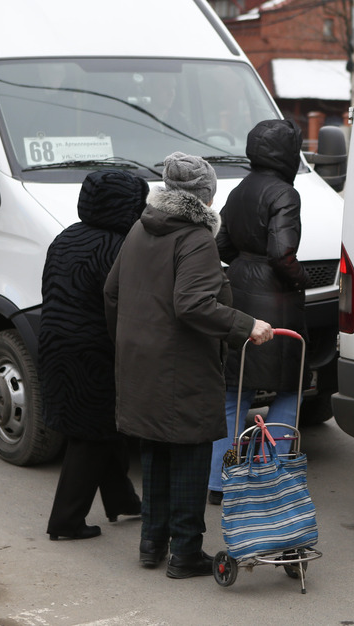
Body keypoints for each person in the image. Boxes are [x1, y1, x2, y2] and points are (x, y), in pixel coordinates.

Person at [104, 152, 274, 578]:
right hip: (183, 365)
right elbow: (193, 304)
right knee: (191, 457)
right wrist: (245, 324)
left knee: (156, 452)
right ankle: (184, 553)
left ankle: (151, 543)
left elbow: (111, 292)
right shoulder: (196, 238)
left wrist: (129, 340)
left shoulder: (139, 229)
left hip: (140, 361)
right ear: (206, 196)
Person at [40, 169, 149, 541]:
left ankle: (123, 500)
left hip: (55, 345)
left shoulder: (66, 236)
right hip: (95, 353)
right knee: (91, 436)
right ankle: (65, 522)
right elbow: (127, 305)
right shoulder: (120, 246)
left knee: (102, 430)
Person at [208, 119, 310, 506]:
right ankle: (267, 478)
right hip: (277, 301)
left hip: (240, 294)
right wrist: (301, 279)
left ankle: (219, 482)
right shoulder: (285, 192)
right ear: (288, 153)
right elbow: (282, 253)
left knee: (235, 391)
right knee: (289, 387)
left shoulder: (239, 190)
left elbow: (222, 246)